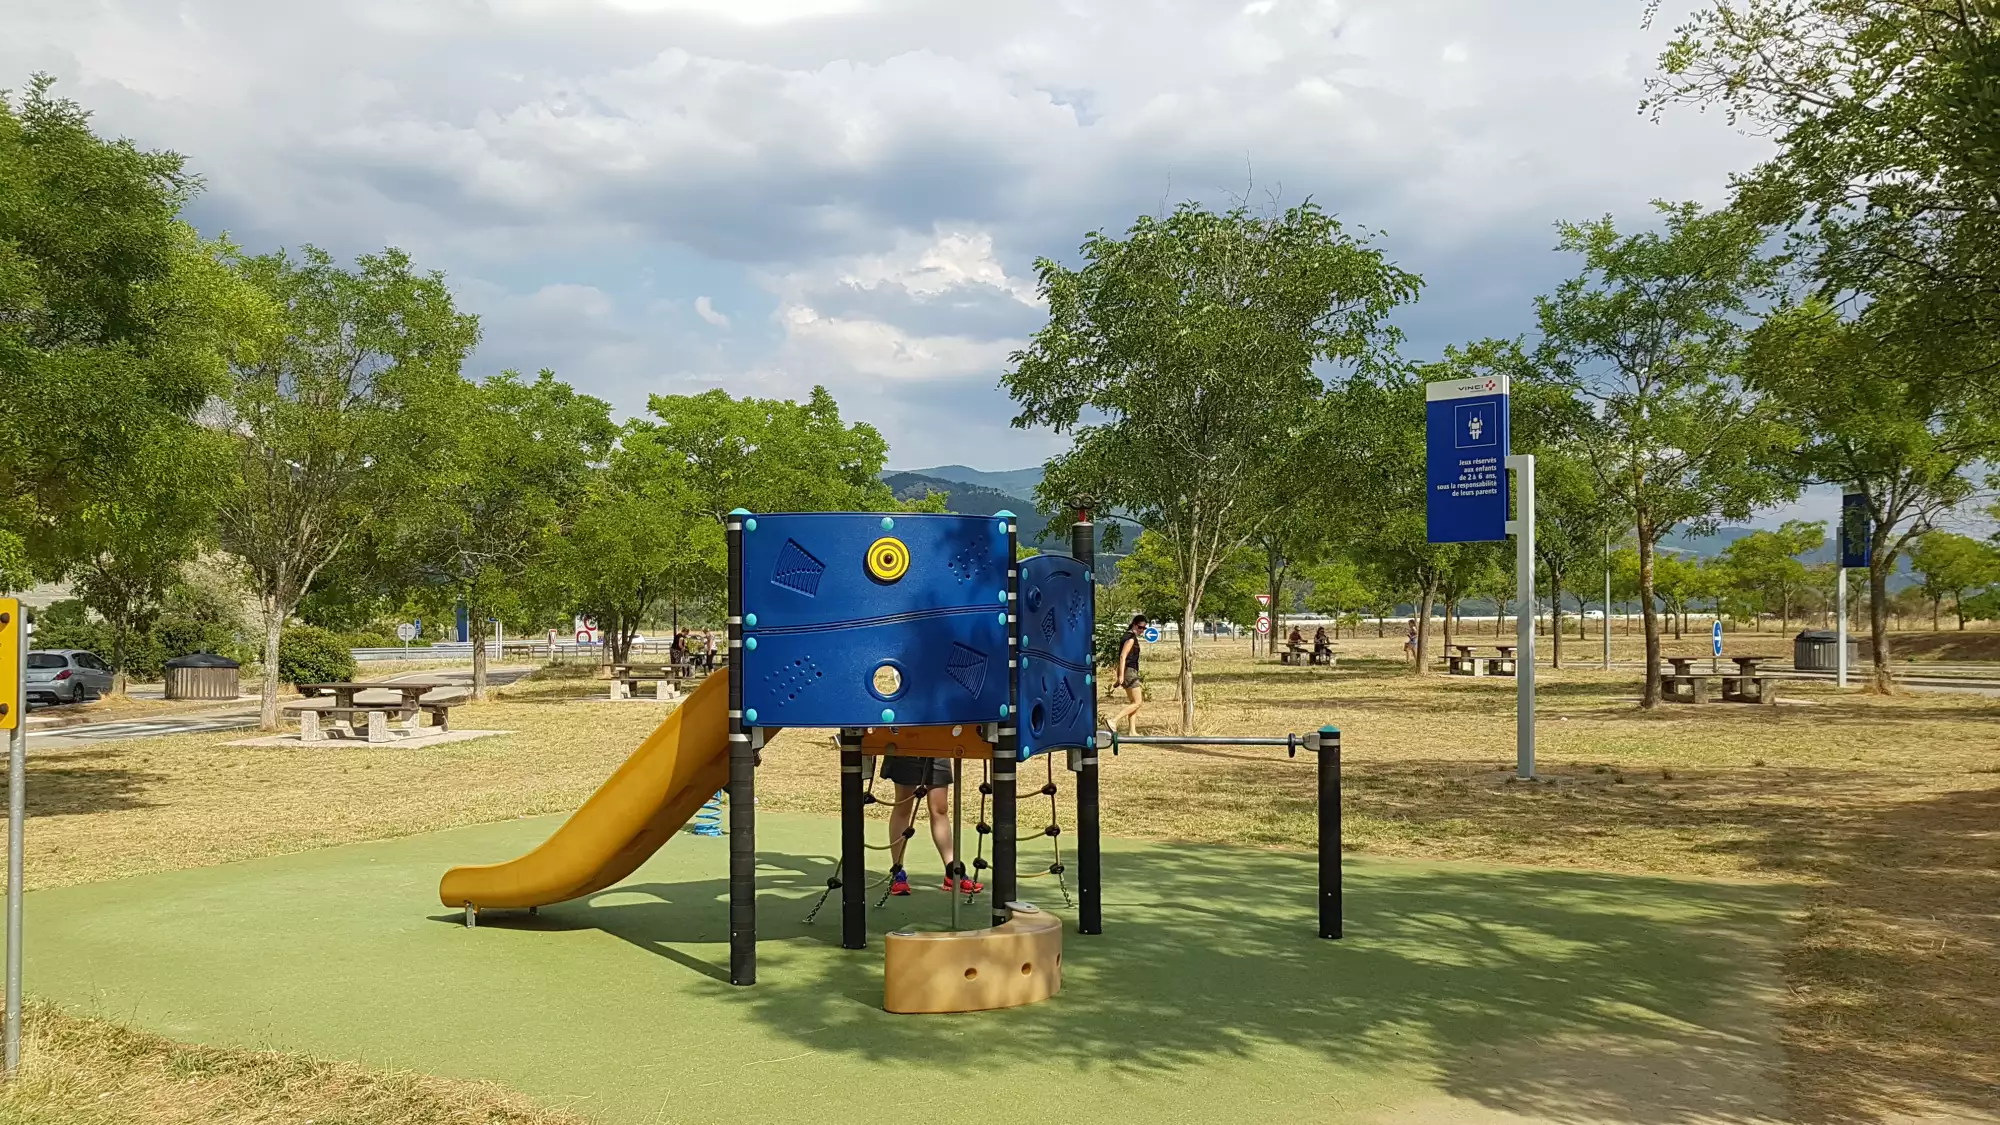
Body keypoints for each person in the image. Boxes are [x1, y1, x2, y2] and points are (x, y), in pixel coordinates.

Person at [882, 753, 982, 895]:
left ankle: (952, 872)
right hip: (905, 747)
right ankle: (898, 872)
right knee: (903, 805)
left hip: (938, 749)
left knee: (940, 808)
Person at [1110, 615, 1146, 735]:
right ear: (1134, 624)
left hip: (1128, 671)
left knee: (1133, 702)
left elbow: (1120, 658)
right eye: (1140, 627)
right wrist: (1121, 676)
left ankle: (1132, 731)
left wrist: (1119, 676)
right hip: (1130, 672)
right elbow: (1122, 657)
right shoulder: (1130, 638)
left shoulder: (1126, 636)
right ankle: (1113, 721)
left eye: (1144, 628)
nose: (1142, 630)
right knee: (1138, 702)